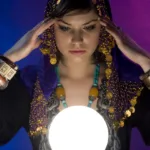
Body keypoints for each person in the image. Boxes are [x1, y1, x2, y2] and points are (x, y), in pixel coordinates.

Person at [0, 0, 150, 149]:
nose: (77, 40)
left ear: (104, 28)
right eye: (65, 28)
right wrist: (7, 59)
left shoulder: (128, 85)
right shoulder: (30, 86)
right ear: (51, 28)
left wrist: (146, 62)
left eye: (89, 27)